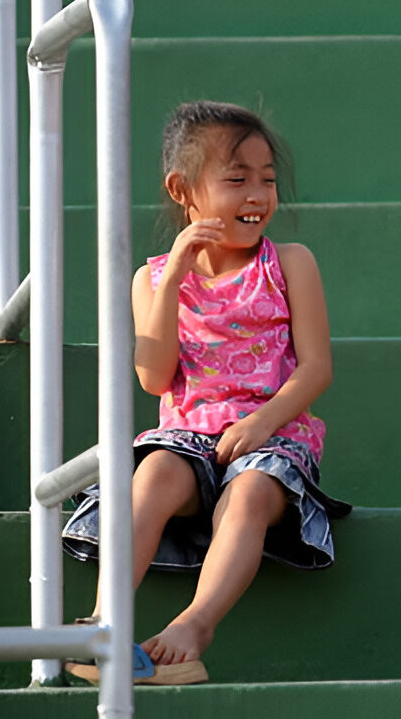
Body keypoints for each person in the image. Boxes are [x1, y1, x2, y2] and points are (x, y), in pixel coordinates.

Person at [62, 100, 350, 685]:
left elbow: (316, 368)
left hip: (273, 440)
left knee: (246, 497)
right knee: (154, 473)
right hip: (188, 437)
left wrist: (263, 424)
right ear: (183, 190)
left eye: (267, 180)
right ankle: (103, 622)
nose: (258, 195)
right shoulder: (152, 277)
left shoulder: (290, 263)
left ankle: (193, 629)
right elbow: (153, 377)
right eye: (237, 179)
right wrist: (172, 277)